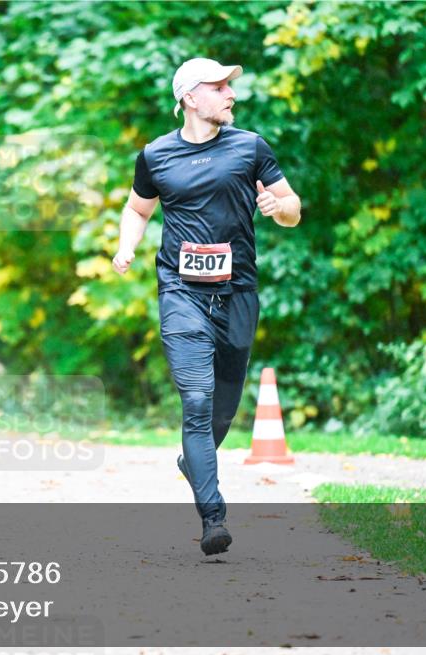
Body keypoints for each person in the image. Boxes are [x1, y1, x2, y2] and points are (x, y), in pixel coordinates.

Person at [112, 58, 301, 555]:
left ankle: (192, 461)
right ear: (190, 98)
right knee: (195, 402)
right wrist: (126, 245)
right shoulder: (156, 155)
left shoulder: (250, 146)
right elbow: (137, 208)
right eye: (219, 87)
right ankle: (212, 517)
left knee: (221, 410)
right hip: (181, 292)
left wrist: (278, 208)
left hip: (238, 293)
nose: (229, 94)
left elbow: (293, 209)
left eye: (229, 87)